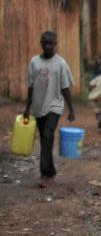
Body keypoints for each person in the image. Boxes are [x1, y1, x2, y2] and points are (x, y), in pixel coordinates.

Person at [23, 31, 76, 188]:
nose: (48, 46)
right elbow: (31, 87)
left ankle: (45, 174)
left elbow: (65, 87)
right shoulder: (34, 62)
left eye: (51, 43)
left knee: (47, 135)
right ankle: (51, 171)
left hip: (55, 105)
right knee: (45, 139)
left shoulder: (60, 63)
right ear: (41, 43)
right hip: (39, 107)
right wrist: (27, 108)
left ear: (55, 44)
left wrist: (71, 109)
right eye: (45, 43)